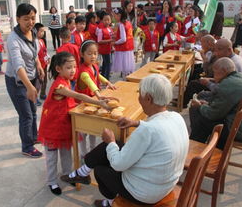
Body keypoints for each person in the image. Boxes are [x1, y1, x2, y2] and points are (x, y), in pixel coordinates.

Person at [61, 74, 189, 207]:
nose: (138, 98)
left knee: (100, 169)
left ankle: (110, 201)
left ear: (149, 99)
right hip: (164, 184)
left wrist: (110, 141)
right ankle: (82, 173)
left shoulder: (147, 131)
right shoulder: (176, 117)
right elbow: (157, 128)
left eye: (140, 94)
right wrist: (136, 122)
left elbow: (118, 165)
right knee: (112, 147)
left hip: (144, 193)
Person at [38, 52, 110, 195]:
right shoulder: (59, 85)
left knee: (66, 154)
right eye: (69, 67)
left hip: (63, 125)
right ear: (59, 69)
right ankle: (52, 182)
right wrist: (98, 102)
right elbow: (77, 95)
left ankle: (67, 175)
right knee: (52, 158)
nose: (73, 70)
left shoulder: (66, 81)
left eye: (74, 67)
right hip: (52, 129)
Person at [5, 3, 45, 158]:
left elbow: (34, 53)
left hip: (32, 78)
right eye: (26, 19)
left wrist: (39, 65)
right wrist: (29, 86)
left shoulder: (33, 32)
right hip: (17, 82)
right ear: (18, 19)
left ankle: (33, 137)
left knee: (33, 112)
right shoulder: (13, 39)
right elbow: (17, 64)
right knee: (26, 115)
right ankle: (27, 146)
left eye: (33, 18)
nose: (30, 22)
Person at [189, 57, 242, 149]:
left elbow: (213, 114)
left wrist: (200, 106)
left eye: (215, 73)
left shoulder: (227, 85)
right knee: (203, 111)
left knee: (198, 114)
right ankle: (212, 148)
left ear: (223, 71)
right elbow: (222, 106)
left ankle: (196, 147)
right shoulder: (240, 77)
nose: (213, 76)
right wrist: (208, 105)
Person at [76, 40, 116, 157]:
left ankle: (92, 151)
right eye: (89, 53)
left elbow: (97, 75)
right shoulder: (83, 71)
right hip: (82, 104)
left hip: (93, 103)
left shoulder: (94, 66)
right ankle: (84, 154)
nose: (93, 56)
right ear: (82, 54)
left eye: (95, 53)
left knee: (92, 129)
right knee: (83, 132)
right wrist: (99, 96)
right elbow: (91, 83)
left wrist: (108, 82)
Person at [111, 8, 135, 77]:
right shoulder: (128, 23)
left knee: (125, 70)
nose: (114, 17)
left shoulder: (121, 24)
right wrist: (116, 34)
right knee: (128, 69)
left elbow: (123, 39)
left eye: (114, 15)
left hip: (123, 49)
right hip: (129, 48)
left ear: (119, 15)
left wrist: (115, 43)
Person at [35, 23, 50, 103]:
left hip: (44, 64)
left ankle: (43, 94)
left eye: (43, 31)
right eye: (41, 31)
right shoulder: (34, 42)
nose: (43, 33)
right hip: (38, 66)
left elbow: (45, 51)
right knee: (38, 82)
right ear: (35, 31)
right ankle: (35, 97)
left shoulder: (41, 40)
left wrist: (48, 57)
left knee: (45, 80)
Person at [97, 12, 113, 80]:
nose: (107, 21)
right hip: (104, 49)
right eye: (105, 20)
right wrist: (109, 40)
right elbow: (99, 41)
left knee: (105, 63)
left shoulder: (110, 28)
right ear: (102, 21)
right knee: (108, 63)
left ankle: (103, 75)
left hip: (109, 48)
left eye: (108, 20)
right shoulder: (101, 30)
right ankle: (106, 78)